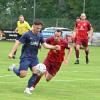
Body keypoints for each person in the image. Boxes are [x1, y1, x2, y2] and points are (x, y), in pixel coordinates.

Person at [8, 20, 60, 94]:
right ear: (34, 26)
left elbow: (44, 45)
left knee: (37, 72)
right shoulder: (27, 34)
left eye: (40, 28)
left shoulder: (40, 35)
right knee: (22, 75)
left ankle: (27, 89)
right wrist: (11, 53)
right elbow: (18, 43)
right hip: (25, 57)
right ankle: (13, 67)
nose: (39, 29)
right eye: (37, 28)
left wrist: (54, 47)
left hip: (34, 58)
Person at [25, 29, 72, 94]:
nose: (56, 37)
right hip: (49, 59)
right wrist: (40, 46)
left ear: (61, 36)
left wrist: (67, 59)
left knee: (47, 79)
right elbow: (44, 43)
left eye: (58, 36)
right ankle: (33, 86)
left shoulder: (64, 42)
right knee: (40, 71)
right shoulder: (51, 39)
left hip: (57, 63)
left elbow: (70, 49)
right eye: (55, 35)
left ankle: (46, 71)